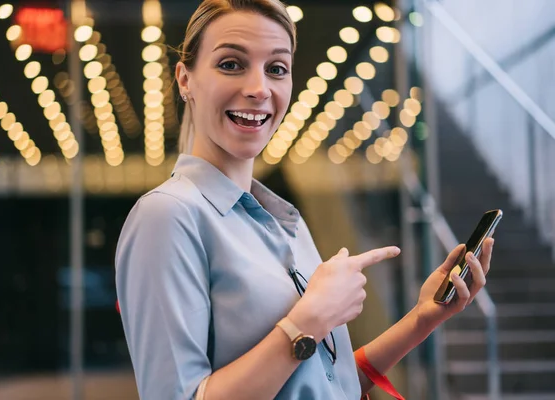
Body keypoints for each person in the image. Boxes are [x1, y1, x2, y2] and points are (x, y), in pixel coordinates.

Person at [114, 1, 495, 399]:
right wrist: (310, 319)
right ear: (185, 79)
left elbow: (319, 382)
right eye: (231, 64)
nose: (259, 89)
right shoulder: (168, 216)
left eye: (276, 69)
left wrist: (421, 319)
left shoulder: (283, 222)